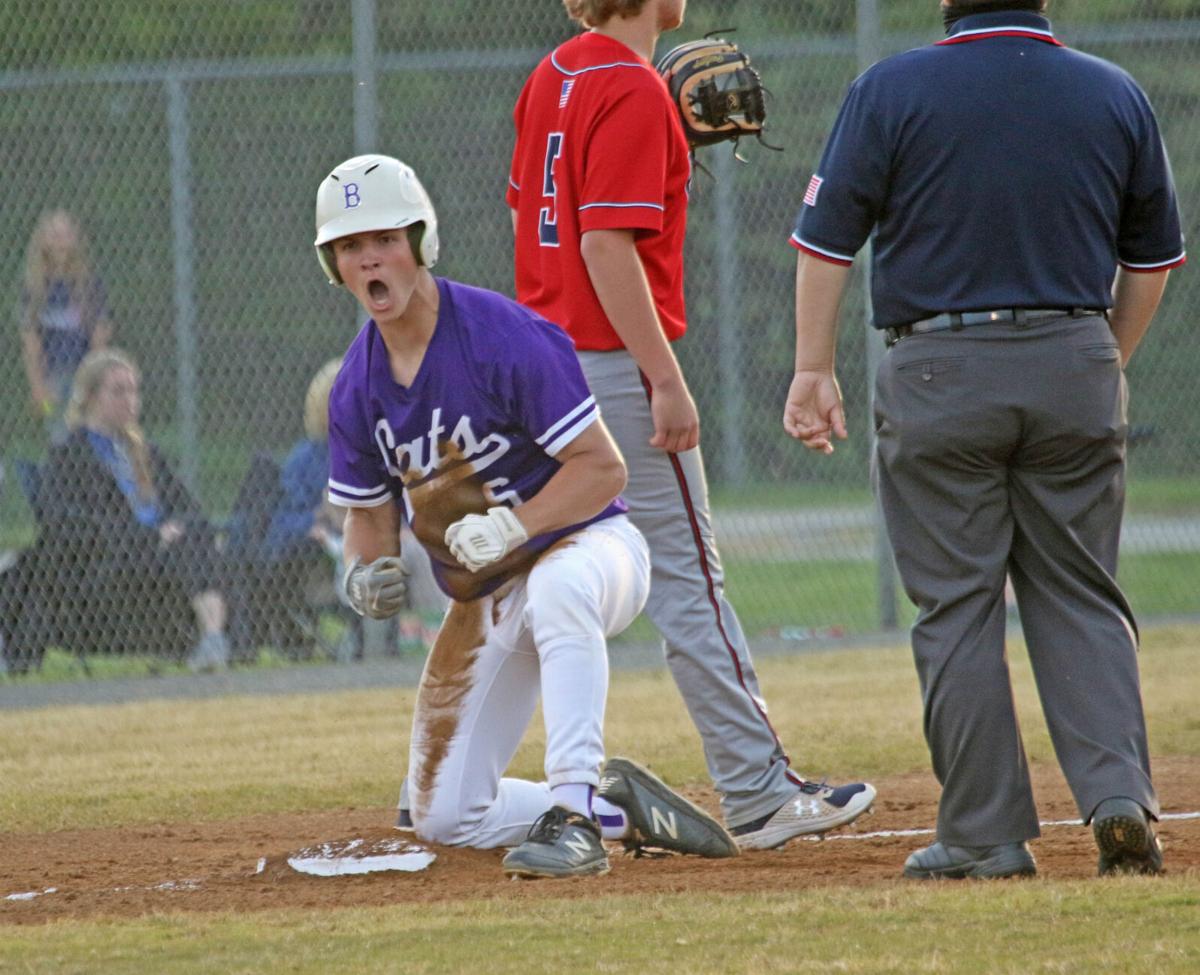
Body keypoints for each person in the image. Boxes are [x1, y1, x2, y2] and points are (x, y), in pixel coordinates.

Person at [784, 0, 1182, 879]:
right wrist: (1097, 361)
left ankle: (985, 834)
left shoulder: (890, 88)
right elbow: (1153, 259)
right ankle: (1118, 797)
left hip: (938, 368)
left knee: (958, 607)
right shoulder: (1112, 92)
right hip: (1073, 353)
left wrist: (813, 366)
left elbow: (826, 241)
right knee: (1081, 592)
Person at [506, 0, 876, 849]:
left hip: (544, 364)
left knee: (544, 578)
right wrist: (665, 379)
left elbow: (536, 217)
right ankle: (760, 791)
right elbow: (607, 245)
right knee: (689, 580)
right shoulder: (633, 88)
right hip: (615, 365)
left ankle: (463, 788)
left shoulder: (551, 75)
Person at [314, 153, 739, 877]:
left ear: (421, 243)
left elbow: (603, 469)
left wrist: (514, 524)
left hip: (592, 548)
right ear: (335, 266)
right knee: (446, 815)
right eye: (351, 247)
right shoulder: (355, 387)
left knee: (557, 587)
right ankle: (612, 803)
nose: (369, 259)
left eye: (384, 238)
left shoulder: (501, 334)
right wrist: (364, 575)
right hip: (489, 596)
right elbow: (368, 520)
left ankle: (573, 817)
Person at [44, 349, 232, 672]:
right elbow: (75, 525)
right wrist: (151, 536)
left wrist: (175, 529)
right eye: (119, 391)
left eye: (134, 390)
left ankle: (212, 640)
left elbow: (189, 508)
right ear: (90, 398)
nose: (131, 400)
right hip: (119, 558)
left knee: (198, 536)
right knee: (190, 545)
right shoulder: (71, 454)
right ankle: (213, 639)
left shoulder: (143, 451)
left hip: (171, 551)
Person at [19, 210, 114, 441]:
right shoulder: (34, 287)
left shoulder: (88, 283)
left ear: (76, 239)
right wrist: (38, 385)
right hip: (53, 375)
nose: (60, 240)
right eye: (54, 234)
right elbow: (30, 340)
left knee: (91, 434)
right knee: (61, 437)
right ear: (43, 240)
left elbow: (100, 334)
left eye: (65, 233)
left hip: (82, 371)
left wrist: (93, 380)